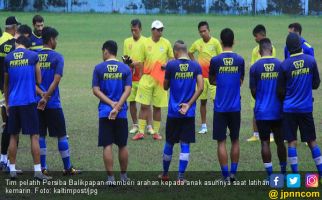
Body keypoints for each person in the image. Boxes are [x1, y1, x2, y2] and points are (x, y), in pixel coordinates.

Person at [4, 35, 50, 180]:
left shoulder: (8, 58)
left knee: (13, 135)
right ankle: (37, 171)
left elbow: (6, 84)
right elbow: (39, 79)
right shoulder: (33, 56)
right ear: (27, 45)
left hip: (14, 102)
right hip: (29, 101)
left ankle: (12, 169)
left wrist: (7, 103)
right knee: (34, 136)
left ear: (17, 43)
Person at [36, 27, 81, 176]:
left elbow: (32, 82)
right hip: (53, 103)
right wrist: (47, 97)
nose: (56, 42)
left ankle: (43, 167)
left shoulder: (35, 56)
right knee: (61, 135)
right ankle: (68, 168)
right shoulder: (58, 57)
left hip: (37, 102)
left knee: (40, 135)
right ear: (51, 40)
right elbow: (56, 80)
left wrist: (41, 95)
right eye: (56, 39)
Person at [279, 33, 322, 179]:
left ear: (288, 48)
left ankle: (294, 177)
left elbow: (280, 91)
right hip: (305, 108)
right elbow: (316, 84)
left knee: (291, 142)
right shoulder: (311, 61)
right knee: (312, 142)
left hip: (289, 110)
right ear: (300, 45)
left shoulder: (284, 65)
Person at [160, 40, 203, 182]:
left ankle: (165, 174)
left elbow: (165, 87)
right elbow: (201, 88)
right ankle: (180, 177)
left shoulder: (171, 65)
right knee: (185, 144)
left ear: (175, 52)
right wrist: (189, 104)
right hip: (188, 113)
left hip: (173, 112)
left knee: (169, 143)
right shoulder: (195, 65)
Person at [92, 40, 132, 183]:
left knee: (107, 144)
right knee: (122, 144)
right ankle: (123, 176)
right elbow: (128, 90)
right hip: (121, 113)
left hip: (105, 112)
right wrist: (118, 106)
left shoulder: (99, 68)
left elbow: (96, 90)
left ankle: (110, 178)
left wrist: (110, 104)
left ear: (106, 51)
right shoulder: (125, 69)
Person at [209, 28, 244, 181]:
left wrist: (221, 81)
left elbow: (211, 80)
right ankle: (233, 174)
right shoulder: (240, 60)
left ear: (221, 42)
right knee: (235, 139)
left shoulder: (215, 60)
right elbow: (241, 81)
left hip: (220, 107)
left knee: (221, 141)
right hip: (235, 107)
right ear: (234, 41)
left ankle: (225, 176)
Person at [249, 38, 287, 179]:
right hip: (278, 112)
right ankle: (283, 172)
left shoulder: (254, 67)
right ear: (271, 49)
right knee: (280, 142)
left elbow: (253, 92)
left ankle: (270, 175)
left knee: (265, 142)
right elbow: (284, 91)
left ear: (259, 52)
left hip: (262, 112)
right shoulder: (281, 65)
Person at [133, 20, 173, 140]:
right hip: (147, 77)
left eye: (161, 29)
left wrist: (167, 64)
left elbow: (172, 58)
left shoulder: (166, 43)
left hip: (160, 79)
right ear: (152, 30)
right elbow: (140, 62)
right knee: (144, 106)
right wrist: (140, 77)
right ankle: (140, 131)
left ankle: (156, 132)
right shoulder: (145, 43)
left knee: (157, 107)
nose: (160, 31)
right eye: (158, 29)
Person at [0, 24, 32, 171]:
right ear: (24, 36)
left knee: (9, 127)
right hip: (16, 94)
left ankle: (4, 160)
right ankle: (6, 162)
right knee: (13, 130)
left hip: (6, 92)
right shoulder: (21, 51)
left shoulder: (5, 45)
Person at [188, 21, 222, 134]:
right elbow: (190, 52)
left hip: (213, 78)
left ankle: (219, 125)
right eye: (201, 32)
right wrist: (195, 63)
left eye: (205, 31)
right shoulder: (197, 43)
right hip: (201, 78)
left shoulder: (216, 42)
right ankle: (203, 126)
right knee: (203, 101)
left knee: (216, 101)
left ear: (209, 30)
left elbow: (221, 57)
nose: (203, 33)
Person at [247, 24, 276, 142]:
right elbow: (253, 66)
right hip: (258, 84)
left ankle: (272, 135)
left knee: (271, 108)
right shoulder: (255, 50)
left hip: (268, 84)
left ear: (262, 35)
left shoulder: (271, 48)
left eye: (256, 36)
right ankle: (255, 134)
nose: (255, 38)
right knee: (255, 108)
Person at [123, 19, 149, 135]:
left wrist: (137, 64)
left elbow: (148, 59)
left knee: (145, 102)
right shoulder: (126, 41)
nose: (134, 33)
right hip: (131, 76)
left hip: (143, 76)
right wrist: (127, 61)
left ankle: (148, 125)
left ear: (140, 29)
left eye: (136, 30)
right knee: (132, 101)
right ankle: (135, 125)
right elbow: (125, 58)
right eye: (132, 30)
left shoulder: (146, 41)